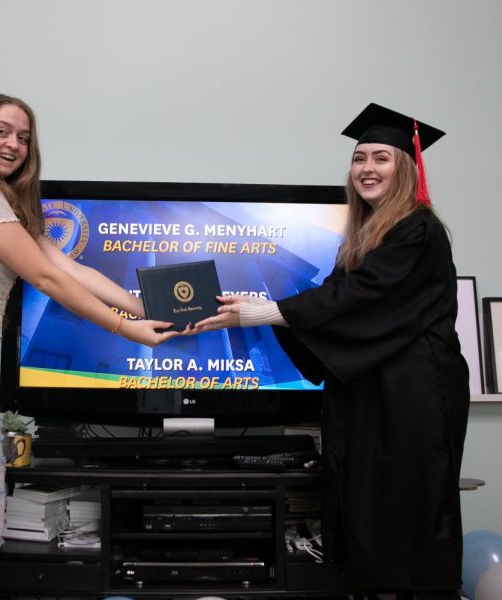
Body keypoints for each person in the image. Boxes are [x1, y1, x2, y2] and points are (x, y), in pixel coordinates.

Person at [0, 93, 178, 599]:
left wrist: (147, 307)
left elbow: (73, 269)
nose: (14, 144)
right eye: (2, 131)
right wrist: (129, 331)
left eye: (23, 137)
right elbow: (45, 277)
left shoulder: (7, 207)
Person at [195, 103, 470, 600]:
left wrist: (267, 312)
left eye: (381, 158)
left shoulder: (419, 230)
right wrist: (265, 306)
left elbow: (360, 301)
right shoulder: (365, 239)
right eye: (359, 158)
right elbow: (333, 302)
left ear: (406, 169)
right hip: (372, 390)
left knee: (407, 513)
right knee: (366, 507)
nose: (367, 168)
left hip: (412, 399)